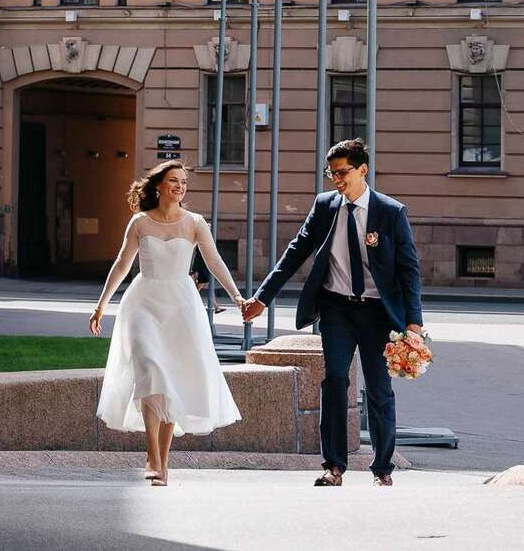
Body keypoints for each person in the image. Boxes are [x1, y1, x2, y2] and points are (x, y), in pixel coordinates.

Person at [239, 138, 425, 486]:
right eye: (331, 173)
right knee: (335, 380)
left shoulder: (390, 212)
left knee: (378, 388)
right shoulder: (325, 206)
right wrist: (262, 298)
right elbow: (296, 252)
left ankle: (382, 468)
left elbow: (408, 269)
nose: (336, 180)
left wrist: (413, 322)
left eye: (342, 172)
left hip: (377, 313)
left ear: (362, 170)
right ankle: (334, 466)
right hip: (336, 308)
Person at [90, 160, 245, 485]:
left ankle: (162, 461)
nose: (180, 186)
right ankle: (152, 455)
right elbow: (122, 264)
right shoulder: (139, 223)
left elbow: (214, 261)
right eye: (174, 180)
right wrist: (101, 305)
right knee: (150, 369)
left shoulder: (194, 223)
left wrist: (237, 297)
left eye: (184, 182)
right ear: (159, 185)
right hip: (143, 302)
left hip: (181, 306)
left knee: (172, 377)